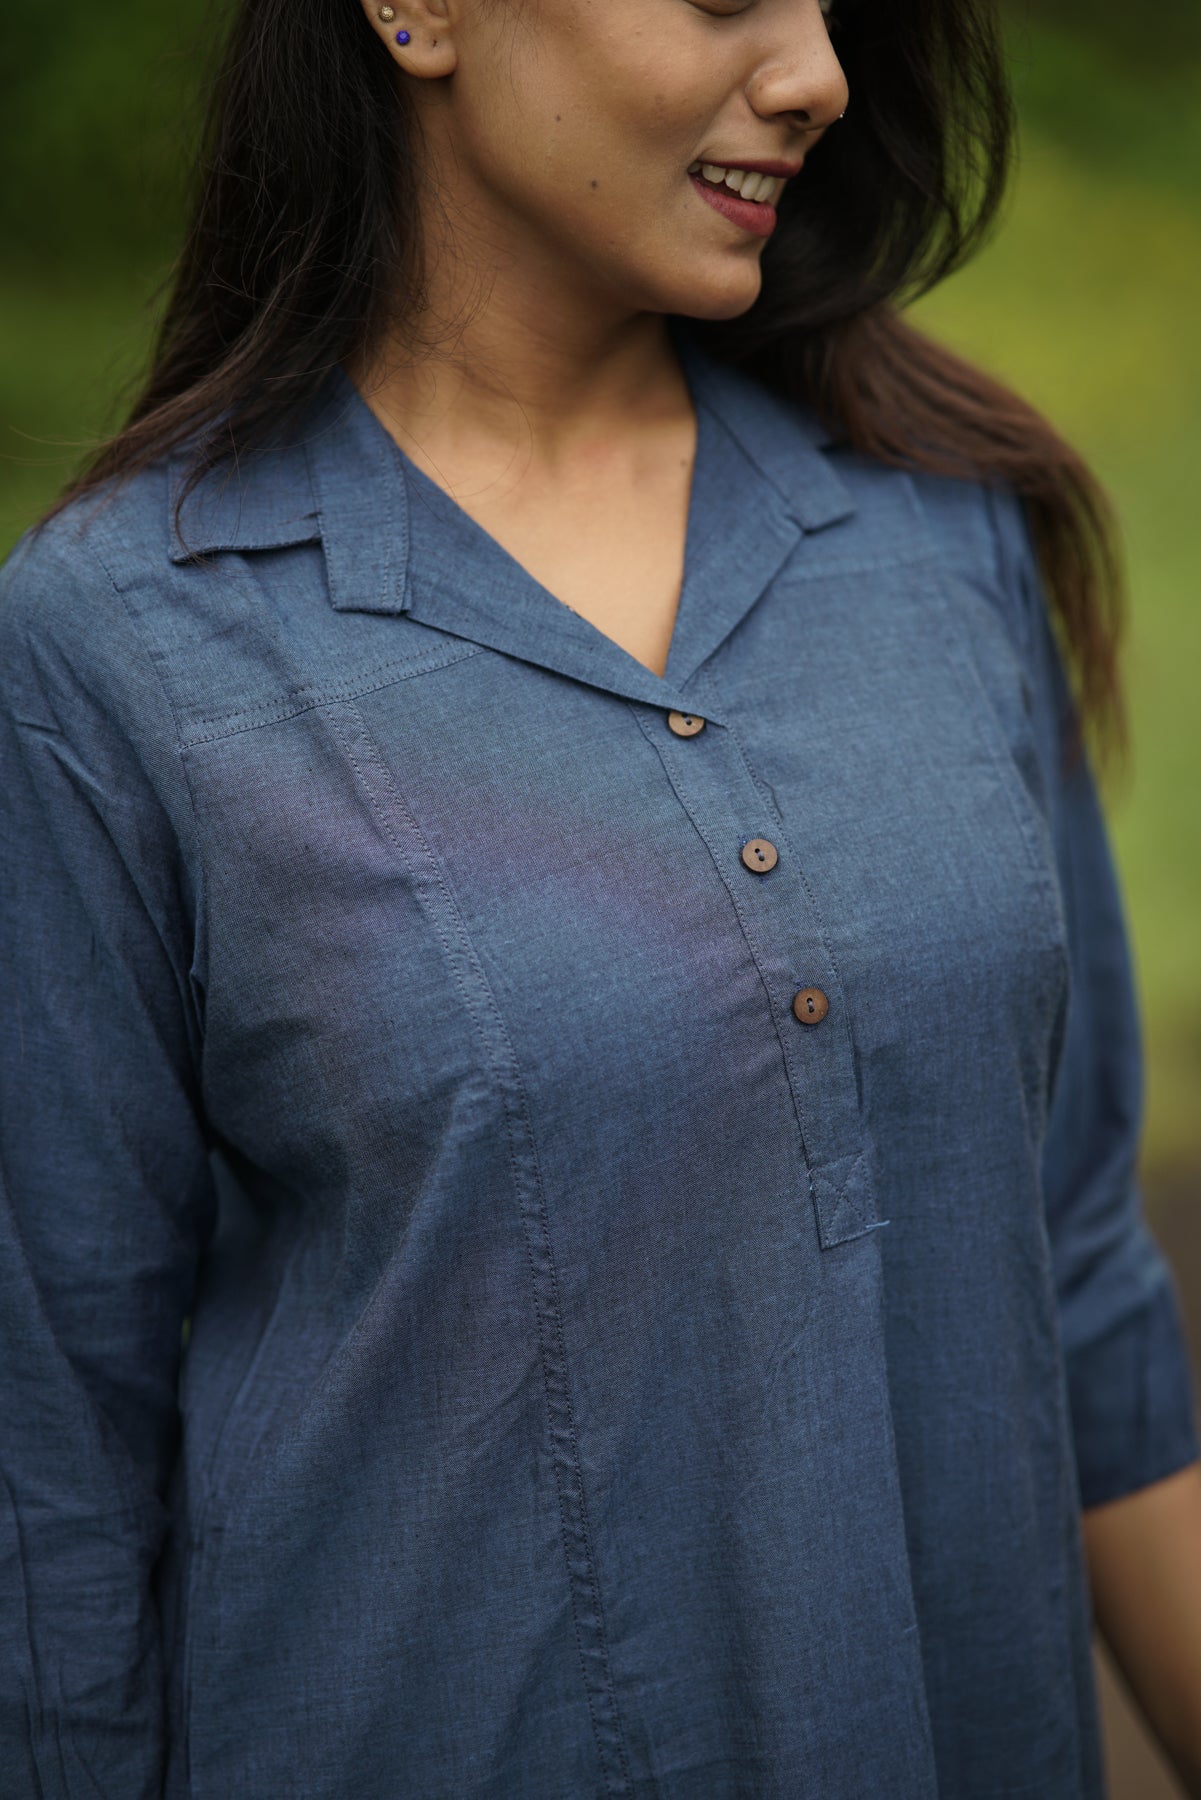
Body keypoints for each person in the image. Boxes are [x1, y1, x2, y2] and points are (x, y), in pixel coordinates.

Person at [3, 0, 1201, 1793]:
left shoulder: (941, 534)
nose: (815, 72)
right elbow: (49, 1486)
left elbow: (1078, 1278)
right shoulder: (123, 648)